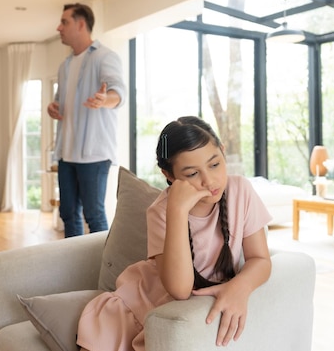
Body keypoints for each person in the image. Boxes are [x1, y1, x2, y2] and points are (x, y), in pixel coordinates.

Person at [77, 116, 272, 350]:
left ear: (222, 151)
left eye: (214, 164)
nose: (209, 181)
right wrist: (178, 211)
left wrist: (239, 287)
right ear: (169, 176)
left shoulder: (240, 189)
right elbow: (180, 290)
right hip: (143, 302)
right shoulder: (161, 211)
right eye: (192, 174)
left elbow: (260, 259)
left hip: (177, 309)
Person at [47, 3, 126, 237]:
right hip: (66, 153)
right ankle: (74, 268)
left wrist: (105, 99)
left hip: (94, 153)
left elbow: (118, 93)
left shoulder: (104, 56)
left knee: (94, 214)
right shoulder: (65, 65)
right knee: (68, 214)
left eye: (65, 22)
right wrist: (54, 107)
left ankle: (101, 271)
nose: (59, 27)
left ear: (81, 24)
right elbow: (60, 101)